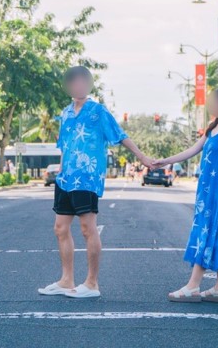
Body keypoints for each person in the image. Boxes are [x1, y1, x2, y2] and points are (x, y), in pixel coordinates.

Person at [38, 66, 153, 299]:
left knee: (87, 228)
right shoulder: (66, 113)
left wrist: (143, 158)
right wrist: (60, 170)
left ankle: (91, 283)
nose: (78, 86)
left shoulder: (97, 111)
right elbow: (65, 145)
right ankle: (66, 280)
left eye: (82, 82)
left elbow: (120, 135)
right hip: (66, 177)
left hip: (87, 176)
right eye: (74, 82)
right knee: (60, 228)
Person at [156, 87, 218, 304]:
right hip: (205, 192)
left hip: (217, 193)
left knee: (206, 232)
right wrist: (166, 160)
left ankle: (193, 285)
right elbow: (192, 151)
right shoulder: (213, 128)